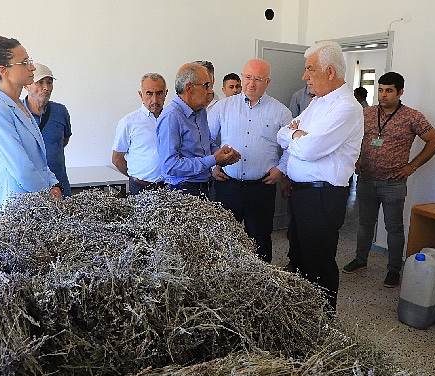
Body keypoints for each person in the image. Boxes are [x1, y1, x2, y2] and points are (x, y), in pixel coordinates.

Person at [276, 41, 364, 312]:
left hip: (322, 196)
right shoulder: (318, 103)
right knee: (300, 258)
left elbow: (311, 149)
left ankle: (324, 323)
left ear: (329, 71)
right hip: (303, 193)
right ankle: (304, 317)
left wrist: (298, 137)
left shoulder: (346, 108)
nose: (305, 76)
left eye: (309, 69)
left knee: (319, 263)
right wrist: (296, 135)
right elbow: (281, 134)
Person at [342, 72, 435, 287]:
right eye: (380, 90)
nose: (383, 95)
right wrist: (357, 160)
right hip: (367, 179)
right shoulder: (366, 114)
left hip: (392, 183)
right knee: (364, 224)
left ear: (400, 92)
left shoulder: (412, 117)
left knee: (394, 228)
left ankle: (394, 270)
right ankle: (361, 260)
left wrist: (411, 166)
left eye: (389, 90)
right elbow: (354, 138)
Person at [208, 59, 292, 263]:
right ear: (242, 76)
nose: (251, 83)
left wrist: (281, 169)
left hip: (260, 188)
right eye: (247, 77)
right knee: (227, 239)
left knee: (260, 238)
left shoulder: (281, 112)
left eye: (258, 79)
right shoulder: (223, 107)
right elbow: (207, 139)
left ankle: (263, 282)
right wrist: (213, 164)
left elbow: (292, 147)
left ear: (268, 82)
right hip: (228, 186)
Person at [0, 36, 62, 216]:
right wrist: (48, 196)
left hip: (37, 200)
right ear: (3, 70)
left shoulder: (19, 105)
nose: (33, 67)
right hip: (17, 205)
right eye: (24, 62)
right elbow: (21, 168)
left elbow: (39, 160)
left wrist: (54, 184)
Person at [156, 62, 240, 197]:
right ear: (189, 88)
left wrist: (223, 154)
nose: (210, 90)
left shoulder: (200, 112)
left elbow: (206, 144)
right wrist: (213, 159)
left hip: (204, 186)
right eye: (206, 85)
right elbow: (170, 166)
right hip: (182, 191)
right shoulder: (171, 117)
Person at [112, 73, 168, 195]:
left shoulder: (172, 119)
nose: (154, 99)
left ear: (166, 94)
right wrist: (135, 176)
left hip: (168, 188)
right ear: (140, 95)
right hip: (140, 188)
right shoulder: (129, 122)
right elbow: (117, 159)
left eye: (159, 93)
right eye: (149, 93)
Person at [23, 64, 73, 197]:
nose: (46, 87)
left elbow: (62, 141)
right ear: (26, 86)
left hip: (60, 189)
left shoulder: (60, 111)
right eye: (40, 82)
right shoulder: (16, 113)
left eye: (49, 82)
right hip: (29, 192)